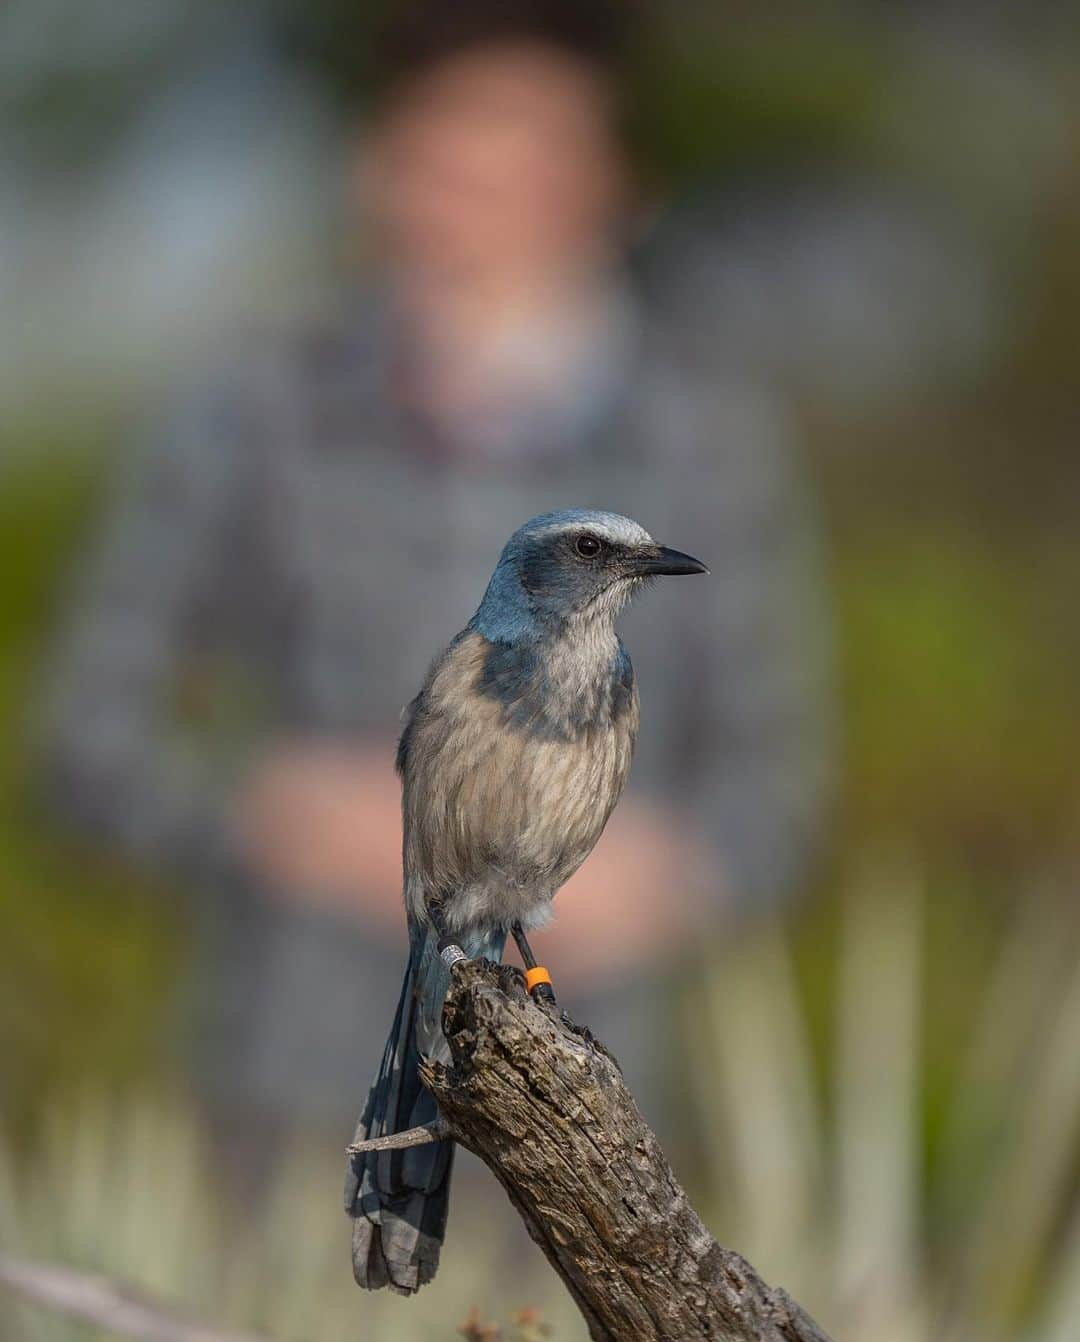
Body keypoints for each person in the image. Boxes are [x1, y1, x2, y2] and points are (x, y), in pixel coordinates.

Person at [40, 0, 833, 1143]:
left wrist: (664, 871)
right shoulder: (254, 410)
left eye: (529, 163)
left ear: (616, 182)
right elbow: (88, 737)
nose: (482, 204)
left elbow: (776, 797)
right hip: (292, 1100)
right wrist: (278, 807)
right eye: (449, 158)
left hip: (600, 1103)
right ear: (380, 165)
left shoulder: (707, 439)